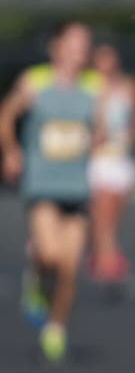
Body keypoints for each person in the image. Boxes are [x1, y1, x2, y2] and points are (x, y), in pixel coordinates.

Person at [0, 21, 101, 362]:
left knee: (70, 267)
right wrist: (12, 149)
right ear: (56, 46)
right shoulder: (35, 81)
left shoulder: (94, 85)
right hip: (42, 182)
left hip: (77, 185)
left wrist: (100, 139)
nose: (79, 50)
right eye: (73, 43)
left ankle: (55, 327)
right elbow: (6, 114)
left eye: (85, 44)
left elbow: (101, 126)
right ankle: (37, 279)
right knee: (49, 254)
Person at [87, 44, 135, 284]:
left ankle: (101, 252)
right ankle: (109, 260)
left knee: (113, 214)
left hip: (122, 158)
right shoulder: (87, 87)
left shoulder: (129, 86)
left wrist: (132, 133)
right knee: (101, 210)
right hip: (95, 159)